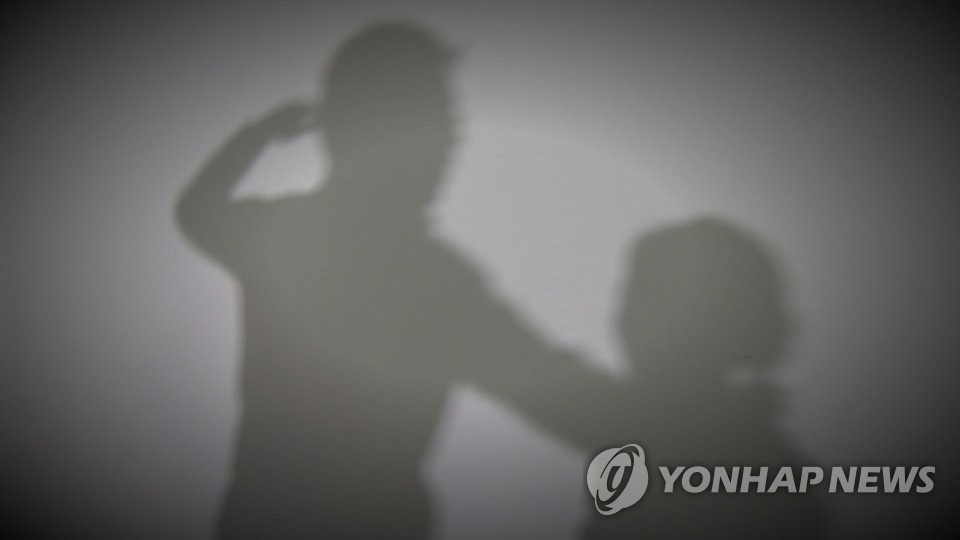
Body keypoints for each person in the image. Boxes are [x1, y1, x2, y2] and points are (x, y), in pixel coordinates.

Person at [176, 22, 620, 539]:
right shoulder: (434, 282)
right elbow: (562, 395)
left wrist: (257, 136)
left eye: (448, 124)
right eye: (434, 121)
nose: (451, 143)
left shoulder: (277, 235)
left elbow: (197, 210)